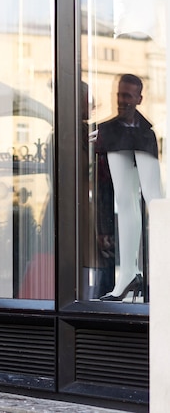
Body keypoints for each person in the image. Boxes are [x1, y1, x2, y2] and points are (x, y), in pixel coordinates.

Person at [95, 73, 162, 302]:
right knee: (125, 202)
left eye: (128, 96)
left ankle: (146, 272)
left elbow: (154, 197)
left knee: (154, 201)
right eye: (119, 95)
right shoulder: (110, 130)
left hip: (137, 137)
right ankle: (127, 275)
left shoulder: (146, 133)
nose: (122, 100)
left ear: (139, 99)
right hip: (115, 136)